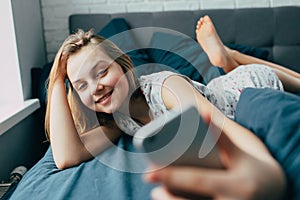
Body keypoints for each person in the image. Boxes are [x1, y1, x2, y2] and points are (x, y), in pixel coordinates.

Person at [44, 14, 299, 199]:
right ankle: (228, 59)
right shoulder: (118, 121)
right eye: (81, 86)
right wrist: (57, 80)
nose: (95, 87)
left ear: (123, 65)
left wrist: (265, 171)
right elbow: (67, 156)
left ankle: (232, 58)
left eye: (101, 72)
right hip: (218, 86)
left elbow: (221, 126)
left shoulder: (164, 87)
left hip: (244, 85)